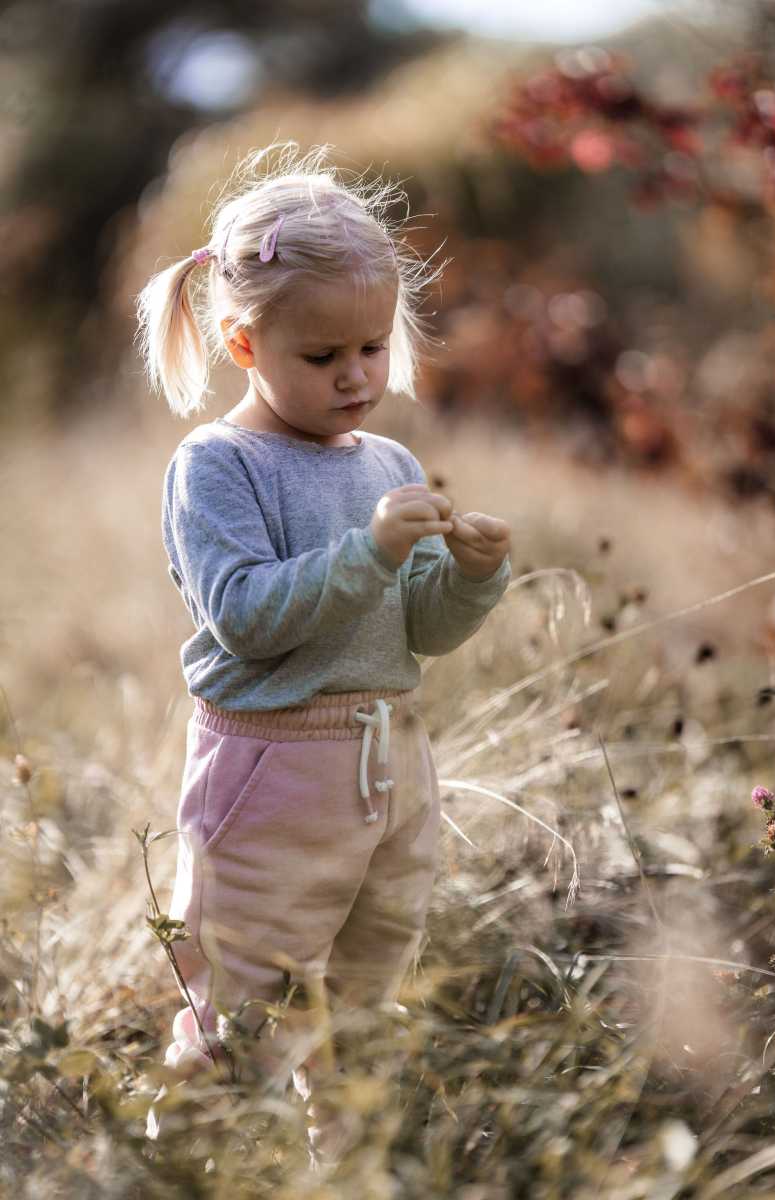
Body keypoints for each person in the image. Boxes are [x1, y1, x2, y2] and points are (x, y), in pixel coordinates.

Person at [135, 142, 512, 1158]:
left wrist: (466, 578)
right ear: (244, 342)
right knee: (243, 1013)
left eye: (371, 349)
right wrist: (369, 550)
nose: (355, 377)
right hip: (269, 777)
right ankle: (177, 1169)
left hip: (391, 768)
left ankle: (340, 1170)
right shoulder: (216, 464)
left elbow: (411, 630)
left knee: (362, 1008)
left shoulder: (385, 459)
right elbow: (245, 616)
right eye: (321, 357)